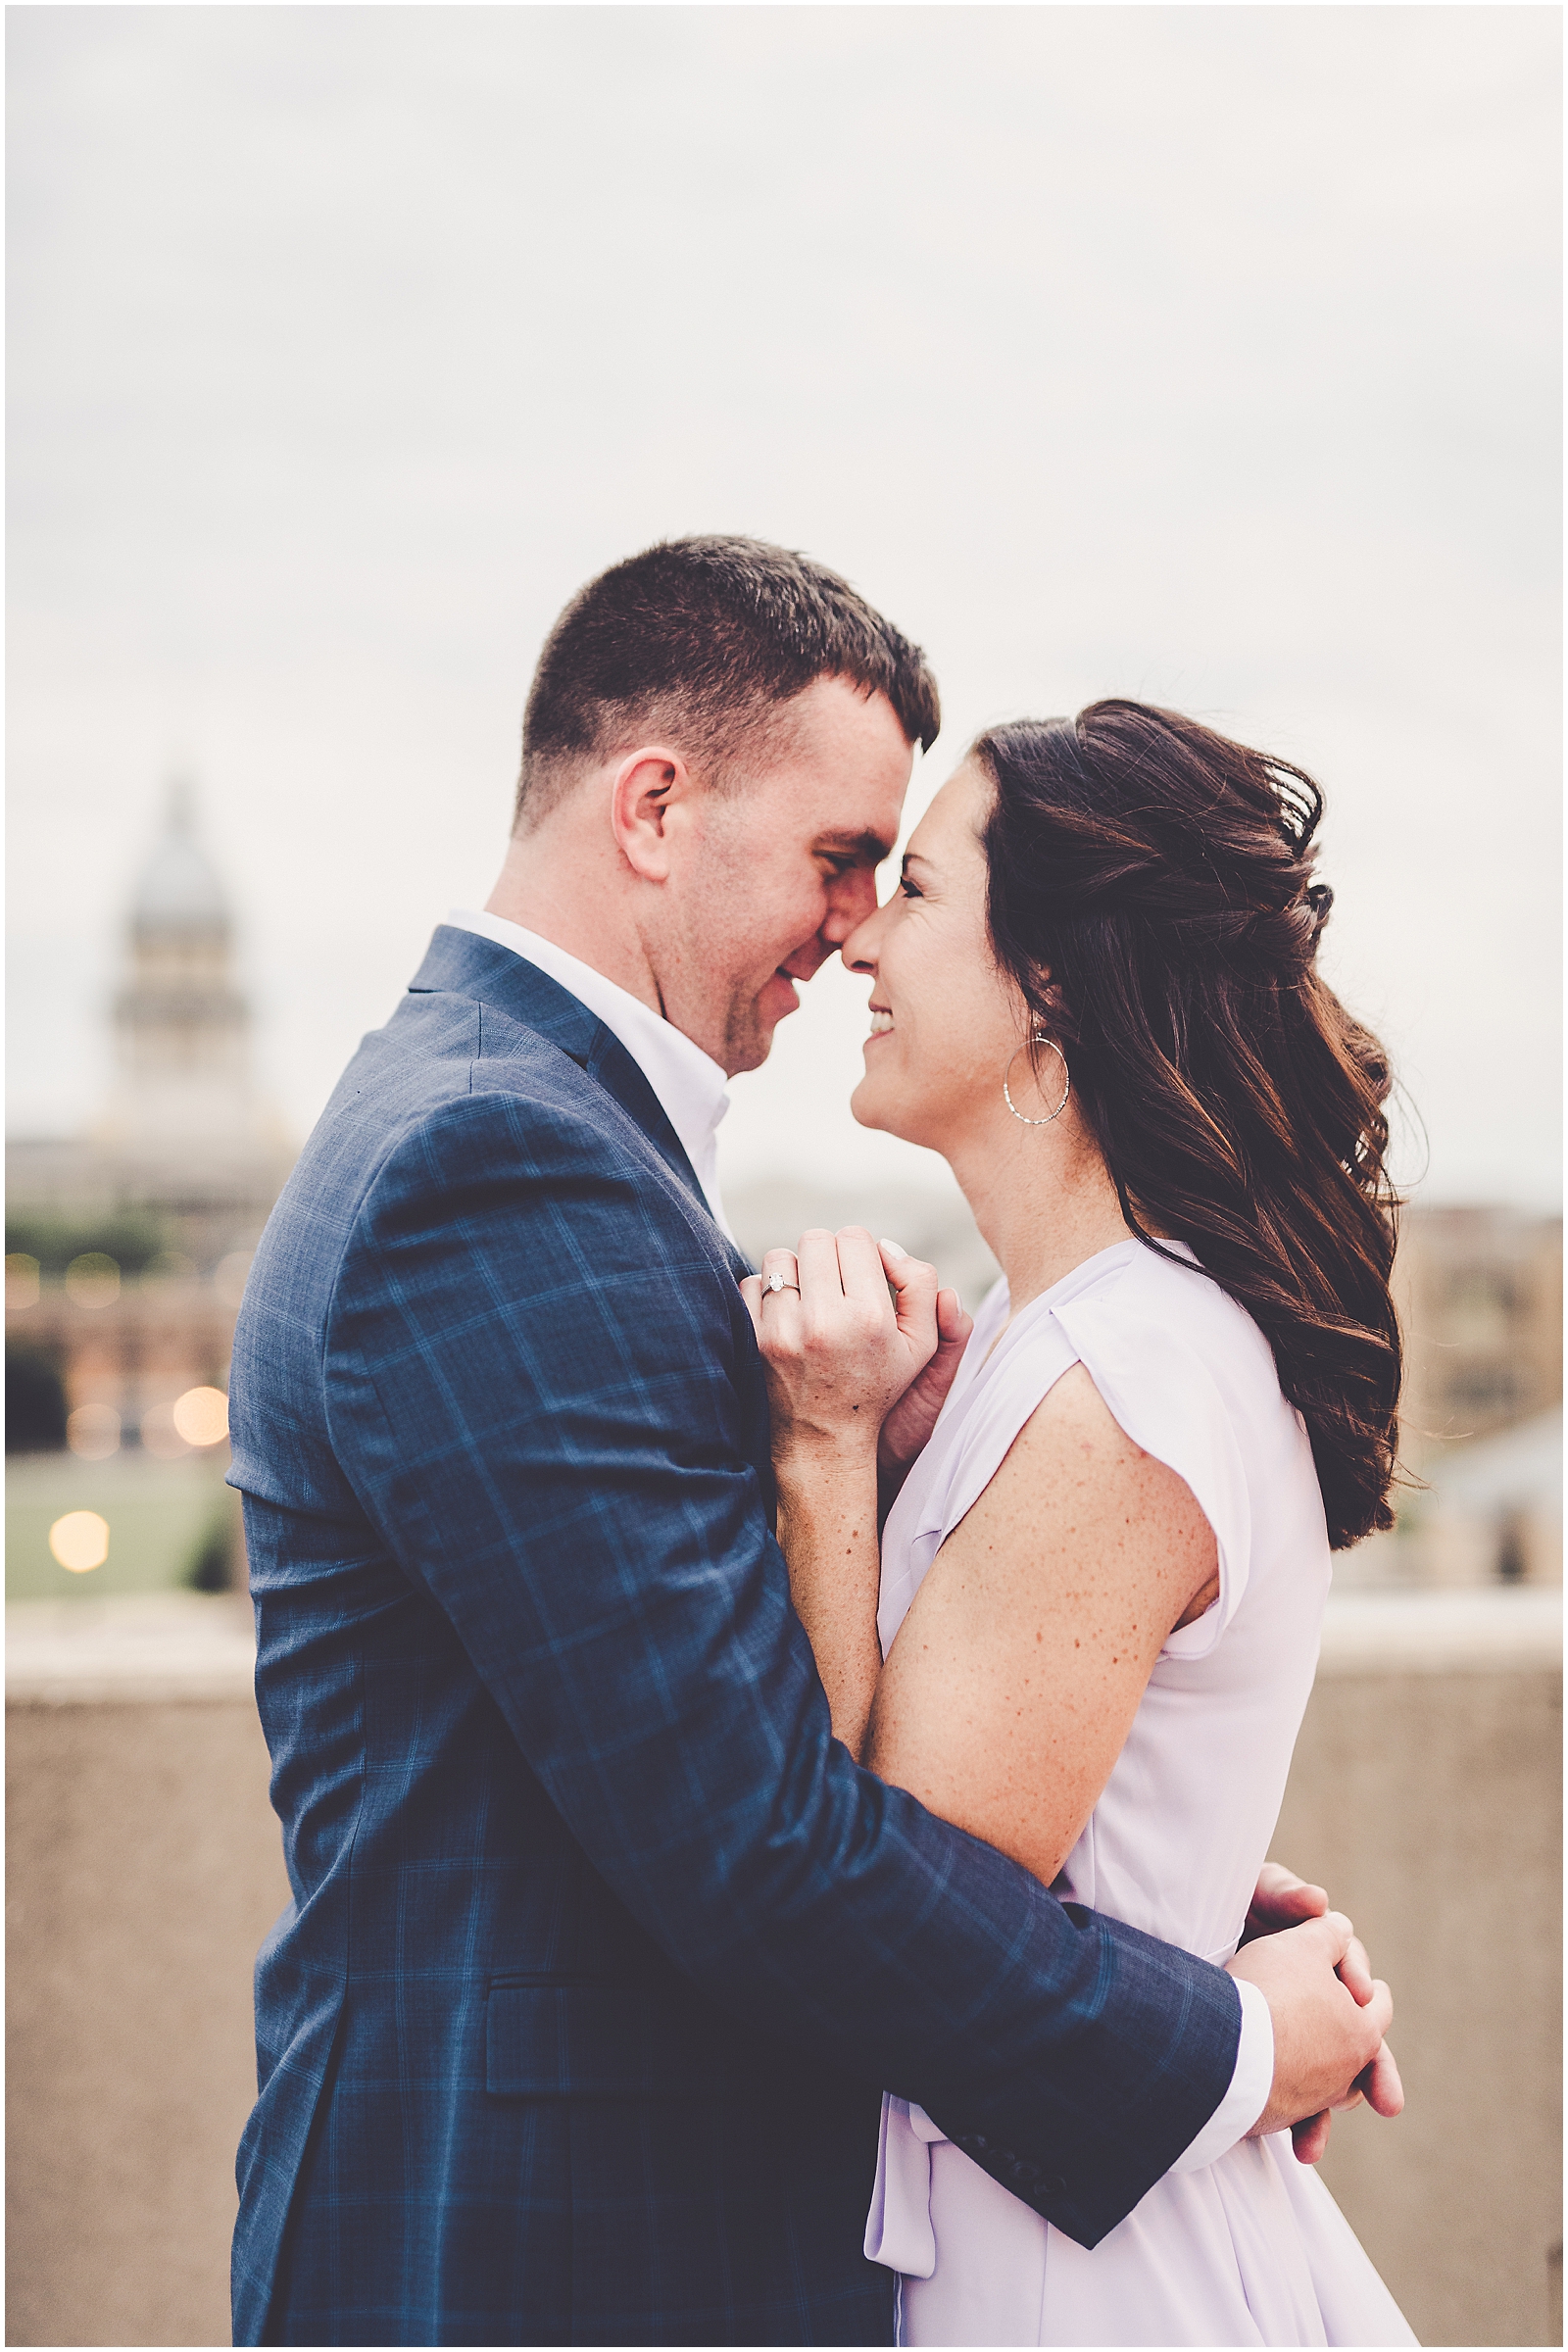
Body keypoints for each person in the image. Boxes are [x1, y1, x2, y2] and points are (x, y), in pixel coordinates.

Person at [227, 540, 1397, 2347]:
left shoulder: (528, 1126)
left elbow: (674, 1732)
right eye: (845, 858)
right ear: (654, 807)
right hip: (531, 2253)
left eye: (899, 877)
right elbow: (766, 1848)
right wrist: (1227, 2035)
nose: (857, 924)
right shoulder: (498, 1165)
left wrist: (1129, 1867)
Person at [743, 700, 1416, 2344]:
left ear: (1049, 979)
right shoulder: (1085, 1333)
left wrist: (824, 1447)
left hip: (1079, 2276)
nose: (857, 948)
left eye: (914, 889)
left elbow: (887, 1921)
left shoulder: (1124, 1373)